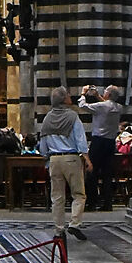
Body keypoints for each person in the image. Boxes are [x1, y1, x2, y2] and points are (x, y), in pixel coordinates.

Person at [36, 88, 87, 223]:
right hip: (71, 158)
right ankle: (74, 223)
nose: (70, 96)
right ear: (64, 99)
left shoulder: (47, 118)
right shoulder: (72, 116)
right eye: (68, 95)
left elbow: (43, 144)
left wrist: (47, 158)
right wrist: (87, 158)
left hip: (54, 160)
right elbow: (80, 139)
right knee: (78, 194)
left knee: (57, 198)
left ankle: (59, 229)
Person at [85, 83, 126, 211]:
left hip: (98, 142)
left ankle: (92, 202)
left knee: (92, 171)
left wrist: (82, 94)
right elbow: (108, 105)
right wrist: (97, 96)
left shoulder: (102, 106)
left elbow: (83, 106)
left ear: (107, 94)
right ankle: (107, 203)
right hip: (110, 143)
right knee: (107, 174)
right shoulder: (119, 107)